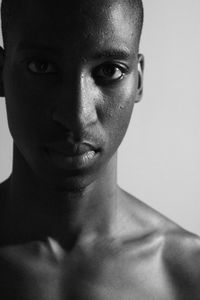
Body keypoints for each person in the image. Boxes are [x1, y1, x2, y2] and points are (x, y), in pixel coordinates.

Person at [0, 0, 199, 298]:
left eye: (110, 70)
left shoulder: (188, 274)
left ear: (139, 80)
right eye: (42, 67)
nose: (77, 117)